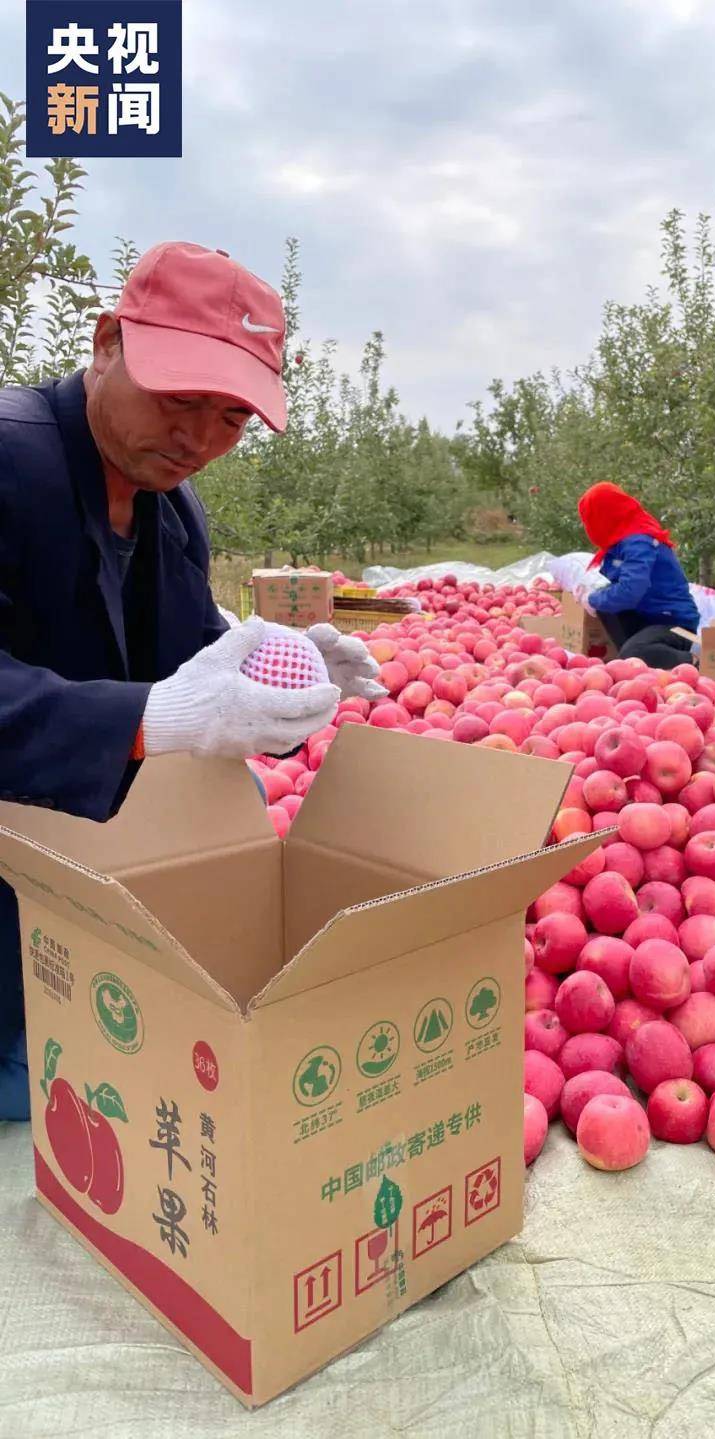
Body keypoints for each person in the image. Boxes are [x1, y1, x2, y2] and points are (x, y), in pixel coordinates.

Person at [0, 241, 384, 1121]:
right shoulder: (9, 460)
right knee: (48, 1085)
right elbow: (167, 707)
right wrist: (148, 716)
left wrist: (285, 682)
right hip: (22, 860)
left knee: (238, 789)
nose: (199, 441)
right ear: (106, 342)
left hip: (85, 867)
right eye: (179, 400)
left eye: (231, 419)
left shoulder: (172, 512)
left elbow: (195, 663)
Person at [574, 482, 700, 669]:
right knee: (606, 605)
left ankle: (693, 662)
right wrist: (594, 591)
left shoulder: (639, 541)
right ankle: (636, 660)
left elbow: (630, 590)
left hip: (674, 623)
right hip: (649, 617)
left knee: (634, 653)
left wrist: (592, 599)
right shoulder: (622, 540)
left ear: (603, 516)